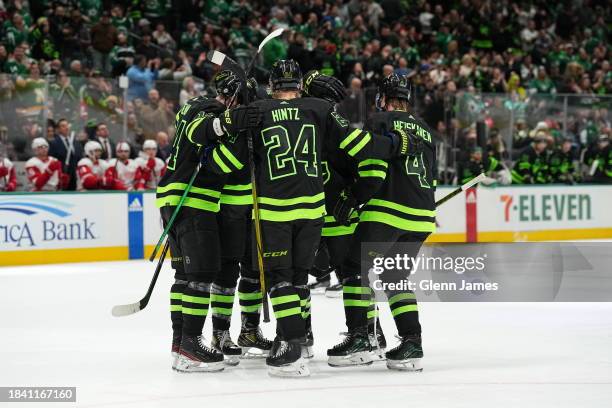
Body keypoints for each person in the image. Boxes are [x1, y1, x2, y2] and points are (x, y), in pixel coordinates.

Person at [205, 60, 415, 377]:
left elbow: (223, 163)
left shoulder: (258, 111)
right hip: (315, 212)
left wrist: (215, 144)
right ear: (301, 86)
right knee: (305, 279)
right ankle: (324, 340)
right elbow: (358, 145)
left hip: (275, 213)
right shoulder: (319, 109)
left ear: (273, 86)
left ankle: (293, 347)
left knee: (282, 281)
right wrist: (397, 144)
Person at [155, 70, 258, 373]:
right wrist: (233, 123)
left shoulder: (193, 105)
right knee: (202, 273)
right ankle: (190, 348)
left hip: (172, 196)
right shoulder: (208, 110)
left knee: (185, 275)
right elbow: (199, 132)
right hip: (193, 199)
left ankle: (180, 342)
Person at [329, 73, 434, 372]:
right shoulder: (426, 129)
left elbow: (373, 170)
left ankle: (361, 338)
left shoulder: (380, 121)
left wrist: (352, 198)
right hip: (422, 215)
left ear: (383, 98)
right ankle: (413, 343)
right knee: (394, 278)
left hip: (387, 211)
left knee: (352, 268)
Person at [48, 118, 84, 191]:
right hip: (62, 177)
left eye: (67, 125)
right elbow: (52, 160)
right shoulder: (54, 143)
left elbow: (79, 157)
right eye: (63, 126)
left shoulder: (75, 142)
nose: (66, 128)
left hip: (76, 177)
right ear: (58, 129)